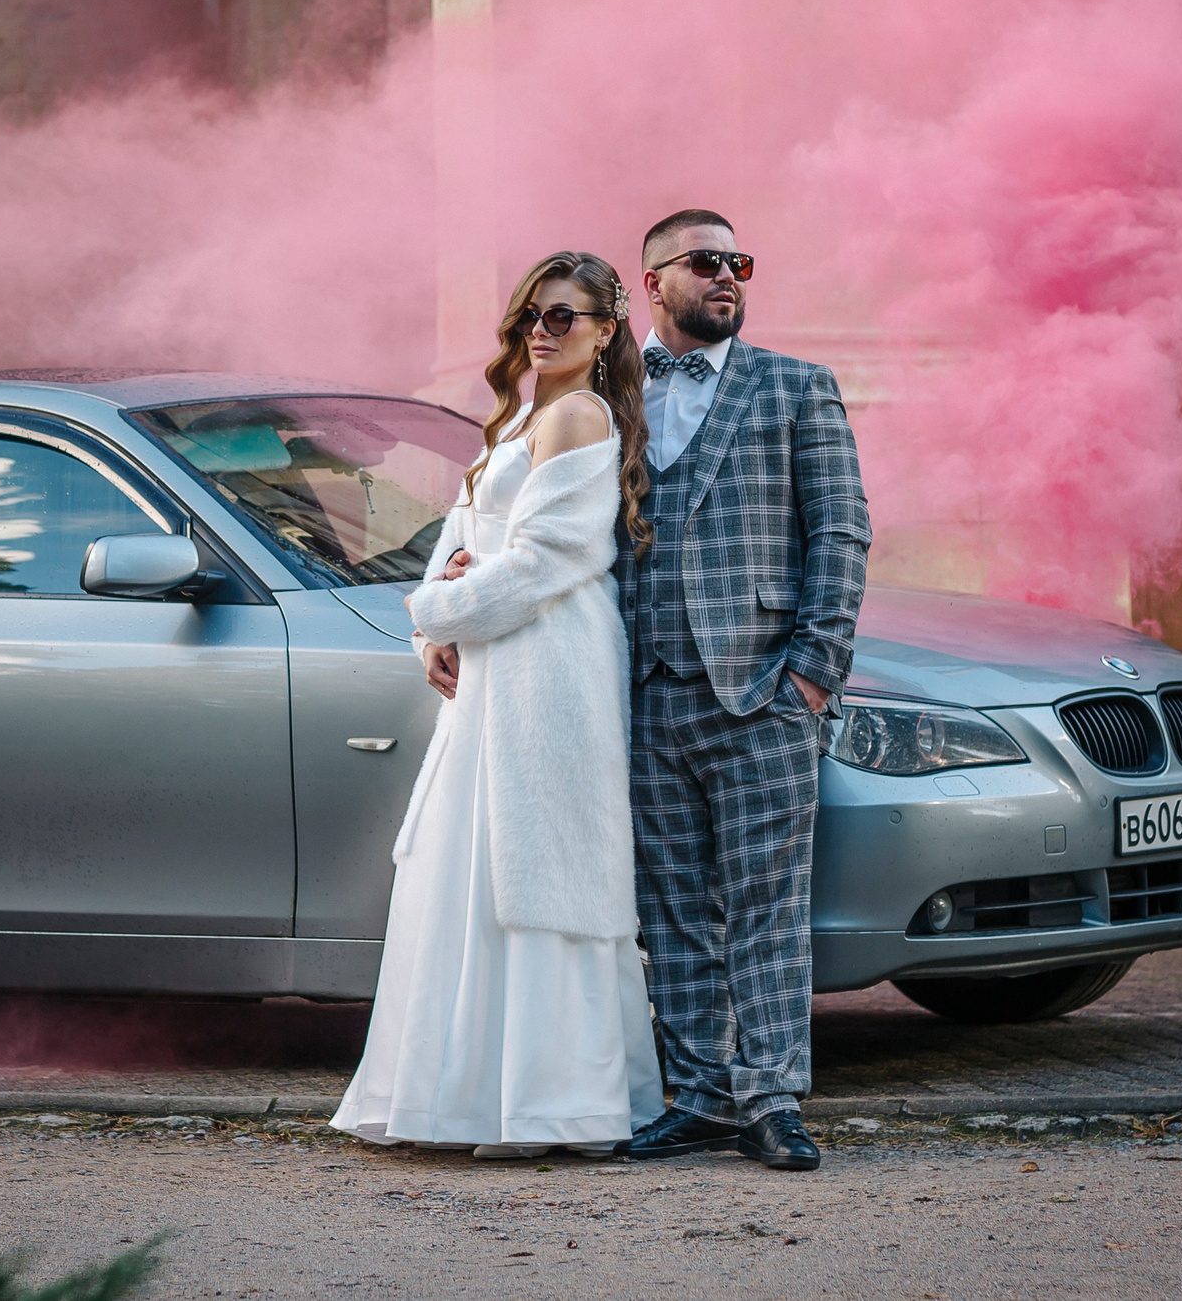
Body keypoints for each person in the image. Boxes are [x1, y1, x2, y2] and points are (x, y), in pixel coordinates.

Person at [331, 252, 665, 1158]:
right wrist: (432, 630)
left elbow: (548, 559)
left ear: (604, 331)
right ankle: (478, 1100)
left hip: (551, 666)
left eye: (562, 317)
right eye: (530, 315)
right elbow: (459, 538)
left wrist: (436, 610)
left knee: (539, 865)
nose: (540, 331)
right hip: (493, 664)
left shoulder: (578, 414)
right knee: (471, 867)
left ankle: (551, 1105)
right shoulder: (519, 414)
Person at [613, 209, 870, 1173]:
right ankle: (699, 1096)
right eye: (706, 261)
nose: (728, 275)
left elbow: (840, 531)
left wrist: (811, 676)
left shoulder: (798, 387)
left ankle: (771, 1098)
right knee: (671, 909)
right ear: (653, 281)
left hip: (762, 693)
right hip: (643, 695)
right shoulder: (608, 392)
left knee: (768, 907)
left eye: (739, 261)